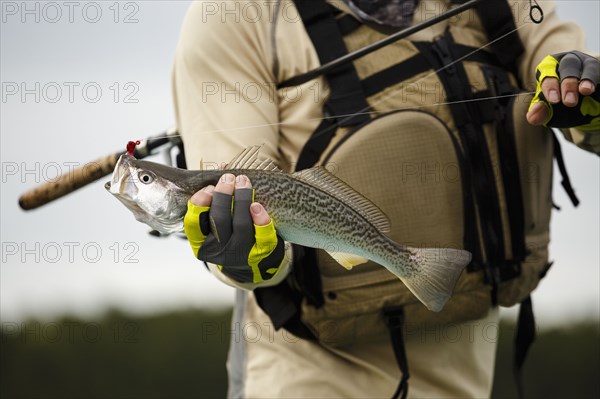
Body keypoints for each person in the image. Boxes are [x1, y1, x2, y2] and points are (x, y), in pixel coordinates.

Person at [172, 0, 599, 397]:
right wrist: (243, 254)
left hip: (466, 376)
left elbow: (581, 102)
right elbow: (235, 204)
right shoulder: (232, 14)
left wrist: (587, 100)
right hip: (306, 379)